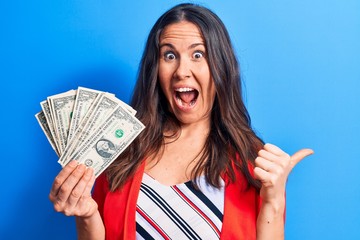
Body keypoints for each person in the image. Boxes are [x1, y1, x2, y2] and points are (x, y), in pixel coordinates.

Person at [49, 3, 313, 240]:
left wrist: (274, 201)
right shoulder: (121, 151)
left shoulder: (252, 163)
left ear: (220, 67)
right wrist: (86, 215)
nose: (181, 71)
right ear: (156, 69)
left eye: (198, 55)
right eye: (170, 55)